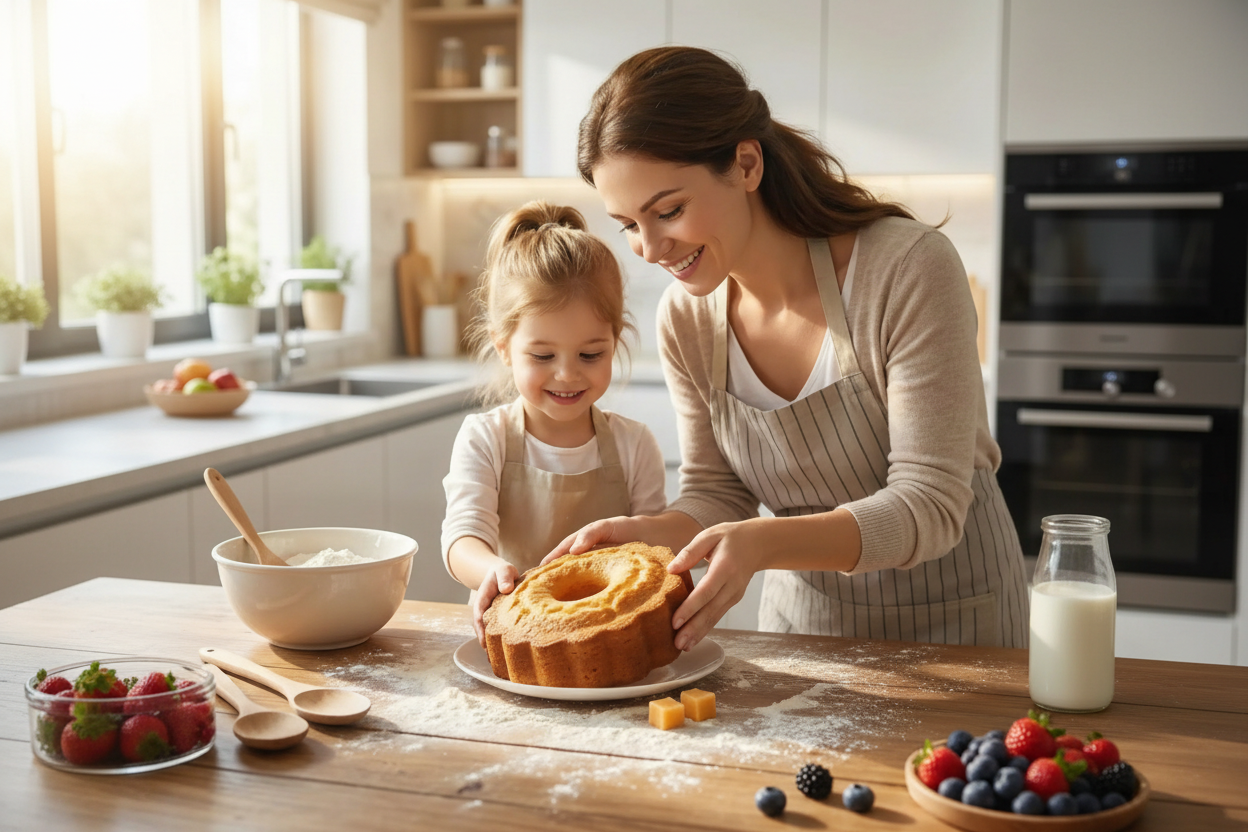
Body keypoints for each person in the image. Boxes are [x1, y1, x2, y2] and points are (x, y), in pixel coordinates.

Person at [549, 46, 1030, 653]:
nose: (649, 248)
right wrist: (650, 535)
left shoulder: (905, 270)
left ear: (746, 164)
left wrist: (764, 542)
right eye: (627, 224)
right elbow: (716, 493)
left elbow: (930, 505)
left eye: (668, 211)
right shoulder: (687, 318)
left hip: (958, 625)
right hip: (804, 629)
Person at [441, 200, 668, 646]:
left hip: (610, 639)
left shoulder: (634, 445)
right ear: (504, 346)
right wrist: (491, 569)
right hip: (517, 638)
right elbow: (462, 538)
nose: (567, 374)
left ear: (615, 342)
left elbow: (654, 551)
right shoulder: (486, 439)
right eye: (543, 356)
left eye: (591, 354)